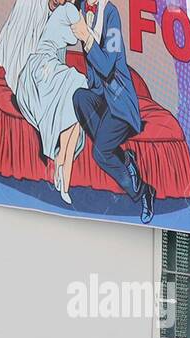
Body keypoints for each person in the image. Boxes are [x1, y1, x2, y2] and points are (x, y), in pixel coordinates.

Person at [70, 0, 155, 223]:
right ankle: (125, 158)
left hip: (119, 102)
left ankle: (143, 191)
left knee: (100, 153)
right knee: (79, 98)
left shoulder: (111, 14)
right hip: (98, 96)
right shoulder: (79, 6)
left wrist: (86, 37)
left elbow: (108, 66)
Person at [0, 0, 88, 203]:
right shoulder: (70, 12)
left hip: (50, 67)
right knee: (78, 83)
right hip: (40, 67)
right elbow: (86, 36)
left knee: (76, 107)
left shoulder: (66, 10)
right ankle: (62, 167)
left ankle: (63, 174)